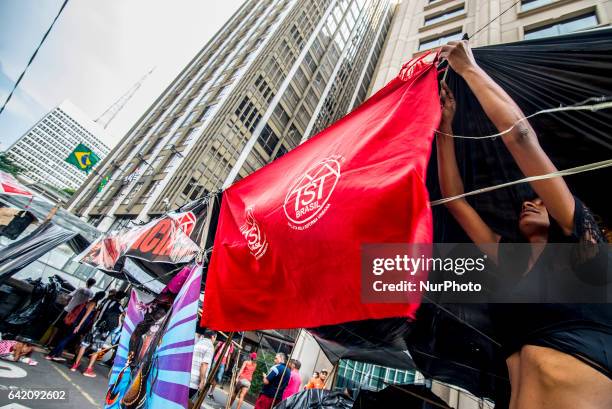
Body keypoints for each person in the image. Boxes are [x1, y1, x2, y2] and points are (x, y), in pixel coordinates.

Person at [437, 40, 612, 409]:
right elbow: (454, 202)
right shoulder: (509, 261)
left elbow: (520, 136)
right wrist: (445, 127)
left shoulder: (584, 245)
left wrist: (469, 69)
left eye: (538, 200)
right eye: (524, 203)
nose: (530, 203)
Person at [46, 291, 105, 362]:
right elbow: (86, 316)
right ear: (101, 298)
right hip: (79, 324)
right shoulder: (93, 304)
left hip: (76, 322)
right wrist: (79, 326)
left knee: (66, 338)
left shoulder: (89, 301)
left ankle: (56, 355)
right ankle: (51, 355)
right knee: (66, 339)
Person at [189, 330, 216, 399]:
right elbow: (204, 364)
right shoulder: (210, 346)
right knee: (189, 403)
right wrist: (202, 381)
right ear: (213, 337)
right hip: (195, 380)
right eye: (215, 338)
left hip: (188, 376)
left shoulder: (198, 343)